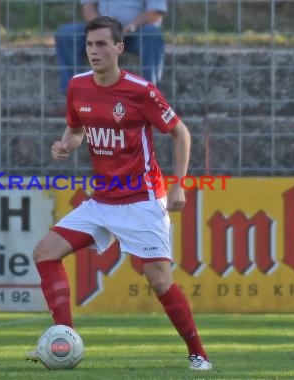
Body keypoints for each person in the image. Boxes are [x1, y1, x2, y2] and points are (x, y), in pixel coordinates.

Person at [28, 16, 212, 371]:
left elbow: (181, 133)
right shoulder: (78, 86)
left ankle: (198, 354)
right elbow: (76, 130)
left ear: (119, 48)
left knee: (159, 279)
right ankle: (63, 339)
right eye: (89, 45)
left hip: (142, 200)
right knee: (45, 253)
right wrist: (66, 144)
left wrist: (178, 184)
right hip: (102, 201)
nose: (93, 51)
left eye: (101, 45)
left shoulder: (140, 90)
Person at [55, 0, 166, 95]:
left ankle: (151, 96)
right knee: (66, 35)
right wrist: (102, 28)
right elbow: (88, 8)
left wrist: (129, 27)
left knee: (152, 34)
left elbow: (155, 12)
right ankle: (74, 98)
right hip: (101, 30)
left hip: (137, 31)